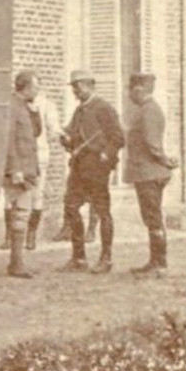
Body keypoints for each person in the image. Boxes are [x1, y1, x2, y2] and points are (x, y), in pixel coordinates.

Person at [59, 68, 124, 273]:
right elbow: (73, 135)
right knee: (71, 207)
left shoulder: (104, 108)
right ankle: (79, 258)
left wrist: (107, 154)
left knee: (102, 212)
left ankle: (106, 259)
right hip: (79, 167)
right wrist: (66, 139)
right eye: (73, 87)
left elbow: (118, 138)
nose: (75, 91)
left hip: (97, 168)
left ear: (89, 85)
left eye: (77, 86)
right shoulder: (79, 110)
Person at [124, 73, 179, 277]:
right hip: (146, 172)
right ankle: (154, 260)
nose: (129, 95)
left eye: (131, 91)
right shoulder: (146, 110)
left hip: (150, 172)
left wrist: (165, 160)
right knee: (150, 217)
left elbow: (152, 144)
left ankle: (160, 263)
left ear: (139, 90)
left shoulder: (148, 111)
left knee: (153, 217)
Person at [2, 70, 41, 278]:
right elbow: (8, 140)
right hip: (18, 171)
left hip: (27, 169)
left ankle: (17, 262)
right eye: (35, 87)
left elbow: (36, 133)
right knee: (21, 214)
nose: (38, 91)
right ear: (25, 87)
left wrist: (34, 111)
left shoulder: (25, 106)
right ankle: (16, 264)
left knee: (22, 213)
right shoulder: (13, 106)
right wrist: (14, 168)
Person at [26, 77, 62, 251]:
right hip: (19, 155)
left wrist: (62, 135)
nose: (35, 90)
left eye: (37, 86)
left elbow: (54, 128)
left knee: (37, 194)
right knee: (12, 195)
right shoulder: (17, 102)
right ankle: (10, 236)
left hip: (39, 154)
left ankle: (31, 234)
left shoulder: (46, 105)